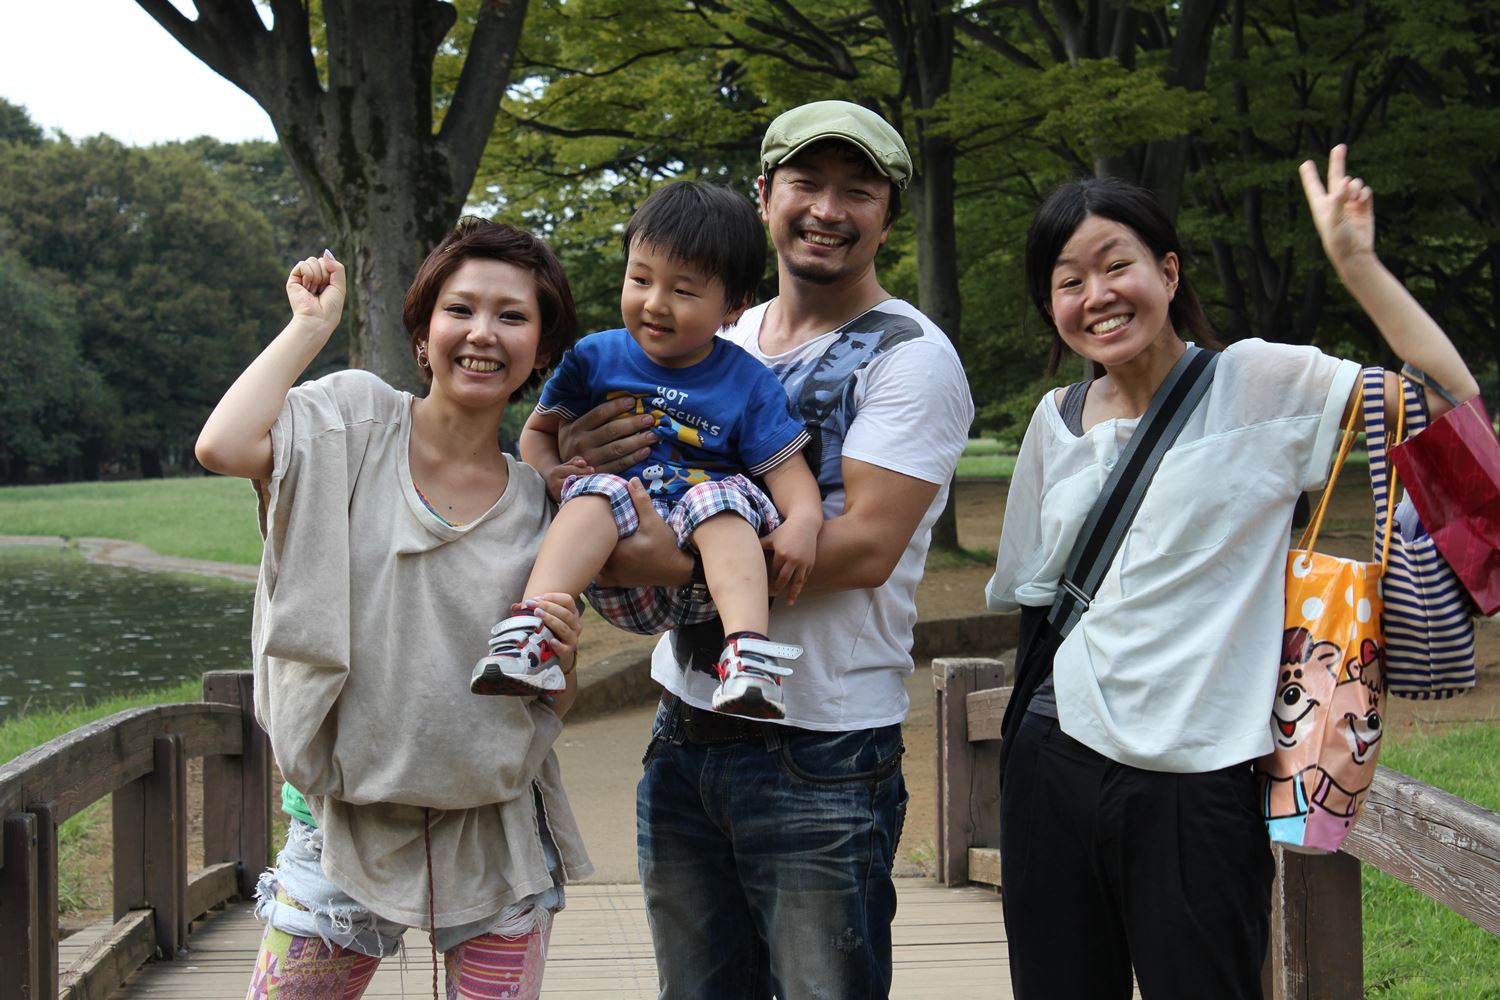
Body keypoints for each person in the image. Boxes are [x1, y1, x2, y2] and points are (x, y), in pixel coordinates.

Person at [986, 146, 1479, 999]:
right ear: (1051, 306)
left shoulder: (1259, 381)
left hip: (1196, 784)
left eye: (1116, 265)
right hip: (1050, 764)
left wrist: (1357, 265)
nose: (1097, 294)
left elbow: (1449, 401)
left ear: (1168, 271)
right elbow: (1032, 599)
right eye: (1069, 280)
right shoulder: (1053, 420)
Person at [560, 100, 974, 998]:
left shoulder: (910, 357)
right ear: (764, 196)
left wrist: (668, 560)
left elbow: (865, 547)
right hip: (685, 723)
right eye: (805, 182)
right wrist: (585, 455)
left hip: (820, 745)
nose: (827, 208)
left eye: (857, 191)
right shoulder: (717, 330)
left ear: (888, 217)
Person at [194, 220, 594, 1000]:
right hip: (340, 829)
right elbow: (224, 445)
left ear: (543, 350)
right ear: (422, 332)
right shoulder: (354, 422)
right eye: (460, 309)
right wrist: (310, 328)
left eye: (512, 316)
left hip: (495, 837)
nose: (483, 333)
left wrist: (565, 657)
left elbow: (550, 704)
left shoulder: (542, 507)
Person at [470, 181, 822, 720]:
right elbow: (538, 433)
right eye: (640, 279)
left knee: (720, 499)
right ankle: (534, 633)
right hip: (613, 565)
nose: (655, 303)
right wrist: (551, 472)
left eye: (683, 290)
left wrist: (804, 523)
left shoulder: (748, 383)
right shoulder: (594, 358)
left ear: (733, 305)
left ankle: (747, 655)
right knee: (596, 491)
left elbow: (790, 477)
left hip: (704, 577)